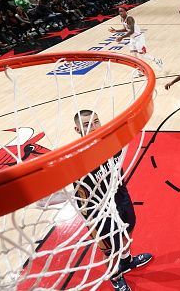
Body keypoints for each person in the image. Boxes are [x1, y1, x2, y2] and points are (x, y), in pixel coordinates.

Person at [73, 110, 153, 291]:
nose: (93, 127)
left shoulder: (111, 143)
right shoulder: (76, 158)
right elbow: (73, 195)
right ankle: (115, 276)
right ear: (77, 129)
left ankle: (126, 261)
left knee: (129, 228)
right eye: (86, 125)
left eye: (96, 121)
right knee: (111, 249)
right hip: (98, 211)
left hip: (120, 197)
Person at [108, 8, 163, 74]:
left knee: (143, 55)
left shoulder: (129, 19)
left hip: (139, 38)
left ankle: (157, 61)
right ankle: (140, 72)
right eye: (119, 11)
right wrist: (116, 30)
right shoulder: (122, 19)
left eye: (122, 11)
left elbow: (132, 31)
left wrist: (122, 37)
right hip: (132, 38)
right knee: (134, 56)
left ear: (126, 11)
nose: (120, 13)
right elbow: (126, 29)